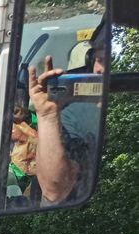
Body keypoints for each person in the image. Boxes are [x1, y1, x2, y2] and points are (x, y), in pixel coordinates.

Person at [27, 27, 106, 205]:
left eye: (112, 60)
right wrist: (47, 116)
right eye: (100, 59)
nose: (102, 70)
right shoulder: (74, 116)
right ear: (91, 62)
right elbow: (55, 190)